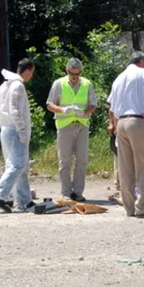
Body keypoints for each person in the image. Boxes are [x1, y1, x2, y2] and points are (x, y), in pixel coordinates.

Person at [108, 51, 144, 218]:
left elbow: (111, 107)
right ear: (141, 63)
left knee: (126, 167)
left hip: (121, 123)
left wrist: (114, 125)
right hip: (138, 120)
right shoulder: (142, 72)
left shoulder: (119, 78)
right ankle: (142, 207)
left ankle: (129, 208)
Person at [0, 58, 37, 213]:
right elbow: (14, 109)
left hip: (6, 128)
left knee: (19, 166)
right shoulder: (18, 86)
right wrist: (21, 129)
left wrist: (5, 124)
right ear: (28, 71)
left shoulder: (5, 85)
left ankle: (25, 201)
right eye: (32, 73)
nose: (32, 76)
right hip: (15, 130)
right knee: (18, 165)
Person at [46, 58, 98, 201]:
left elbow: (93, 104)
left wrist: (85, 112)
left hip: (82, 124)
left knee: (82, 160)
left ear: (81, 71)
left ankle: (78, 192)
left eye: (77, 73)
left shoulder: (87, 84)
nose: (74, 76)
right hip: (64, 125)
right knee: (65, 160)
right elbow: (49, 104)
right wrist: (62, 109)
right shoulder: (59, 83)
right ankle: (66, 193)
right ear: (67, 70)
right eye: (71, 73)